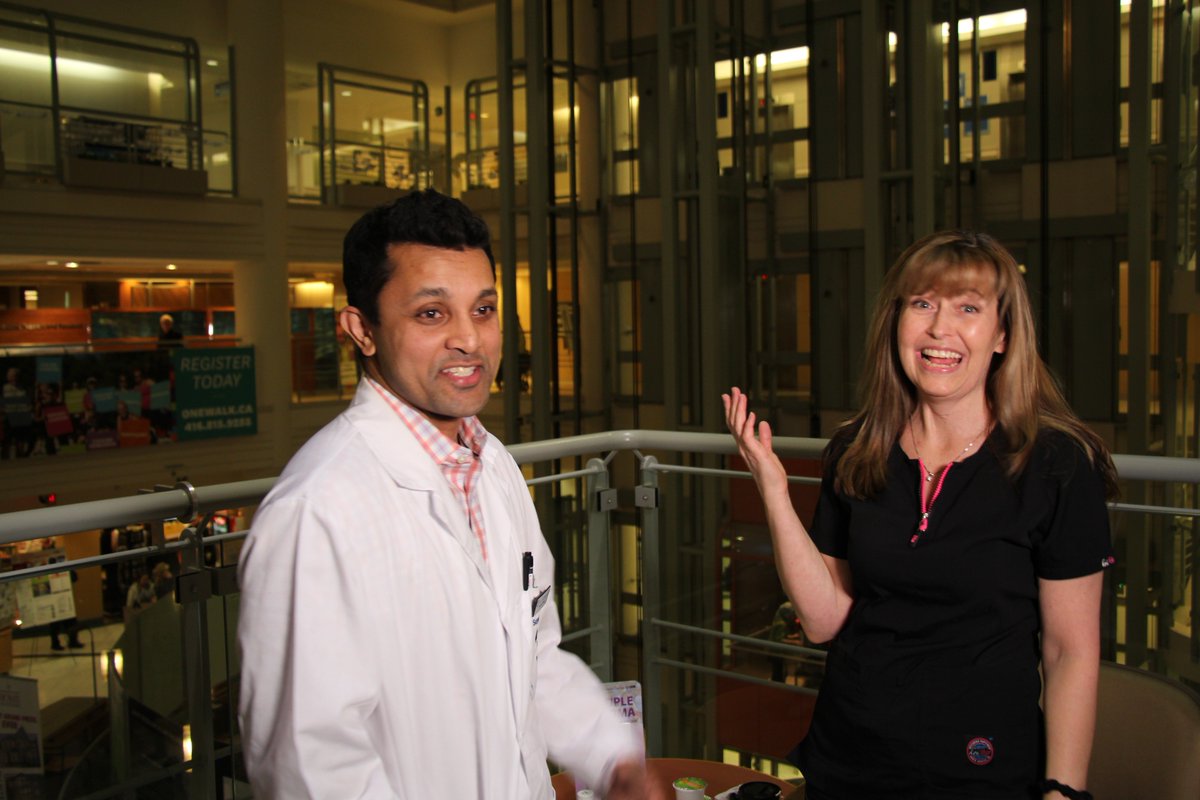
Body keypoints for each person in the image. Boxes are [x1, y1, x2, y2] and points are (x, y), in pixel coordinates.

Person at [237, 189, 656, 799]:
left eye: (483, 309)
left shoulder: (493, 466)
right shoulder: (316, 512)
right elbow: (308, 770)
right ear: (362, 330)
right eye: (432, 314)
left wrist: (614, 761)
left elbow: (534, 658)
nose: (470, 339)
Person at [724, 230, 1117, 800]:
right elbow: (824, 621)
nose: (939, 329)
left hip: (981, 770)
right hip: (850, 757)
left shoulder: (1055, 466)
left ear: (1003, 335)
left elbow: (1070, 651)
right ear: (896, 321)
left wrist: (1063, 791)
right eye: (923, 304)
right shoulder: (857, 449)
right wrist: (775, 491)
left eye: (968, 309)